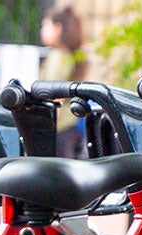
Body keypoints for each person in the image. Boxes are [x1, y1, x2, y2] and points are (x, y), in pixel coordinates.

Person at [39, 5, 87, 157]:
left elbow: (54, 96)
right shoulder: (68, 56)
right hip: (69, 128)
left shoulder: (58, 57)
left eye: (45, 25)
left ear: (57, 28)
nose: (42, 30)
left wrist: (44, 129)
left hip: (58, 129)